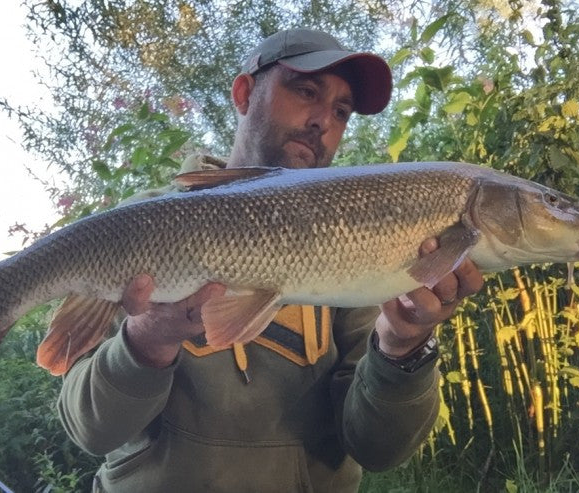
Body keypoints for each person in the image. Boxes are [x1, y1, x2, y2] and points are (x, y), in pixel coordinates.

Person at [58, 28, 484, 492]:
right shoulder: (141, 224)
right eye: (306, 91)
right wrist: (146, 340)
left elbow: (377, 450)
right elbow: (90, 431)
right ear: (244, 92)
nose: (323, 120)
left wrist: (402, 348)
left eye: (341, 111)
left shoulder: (358, 238)